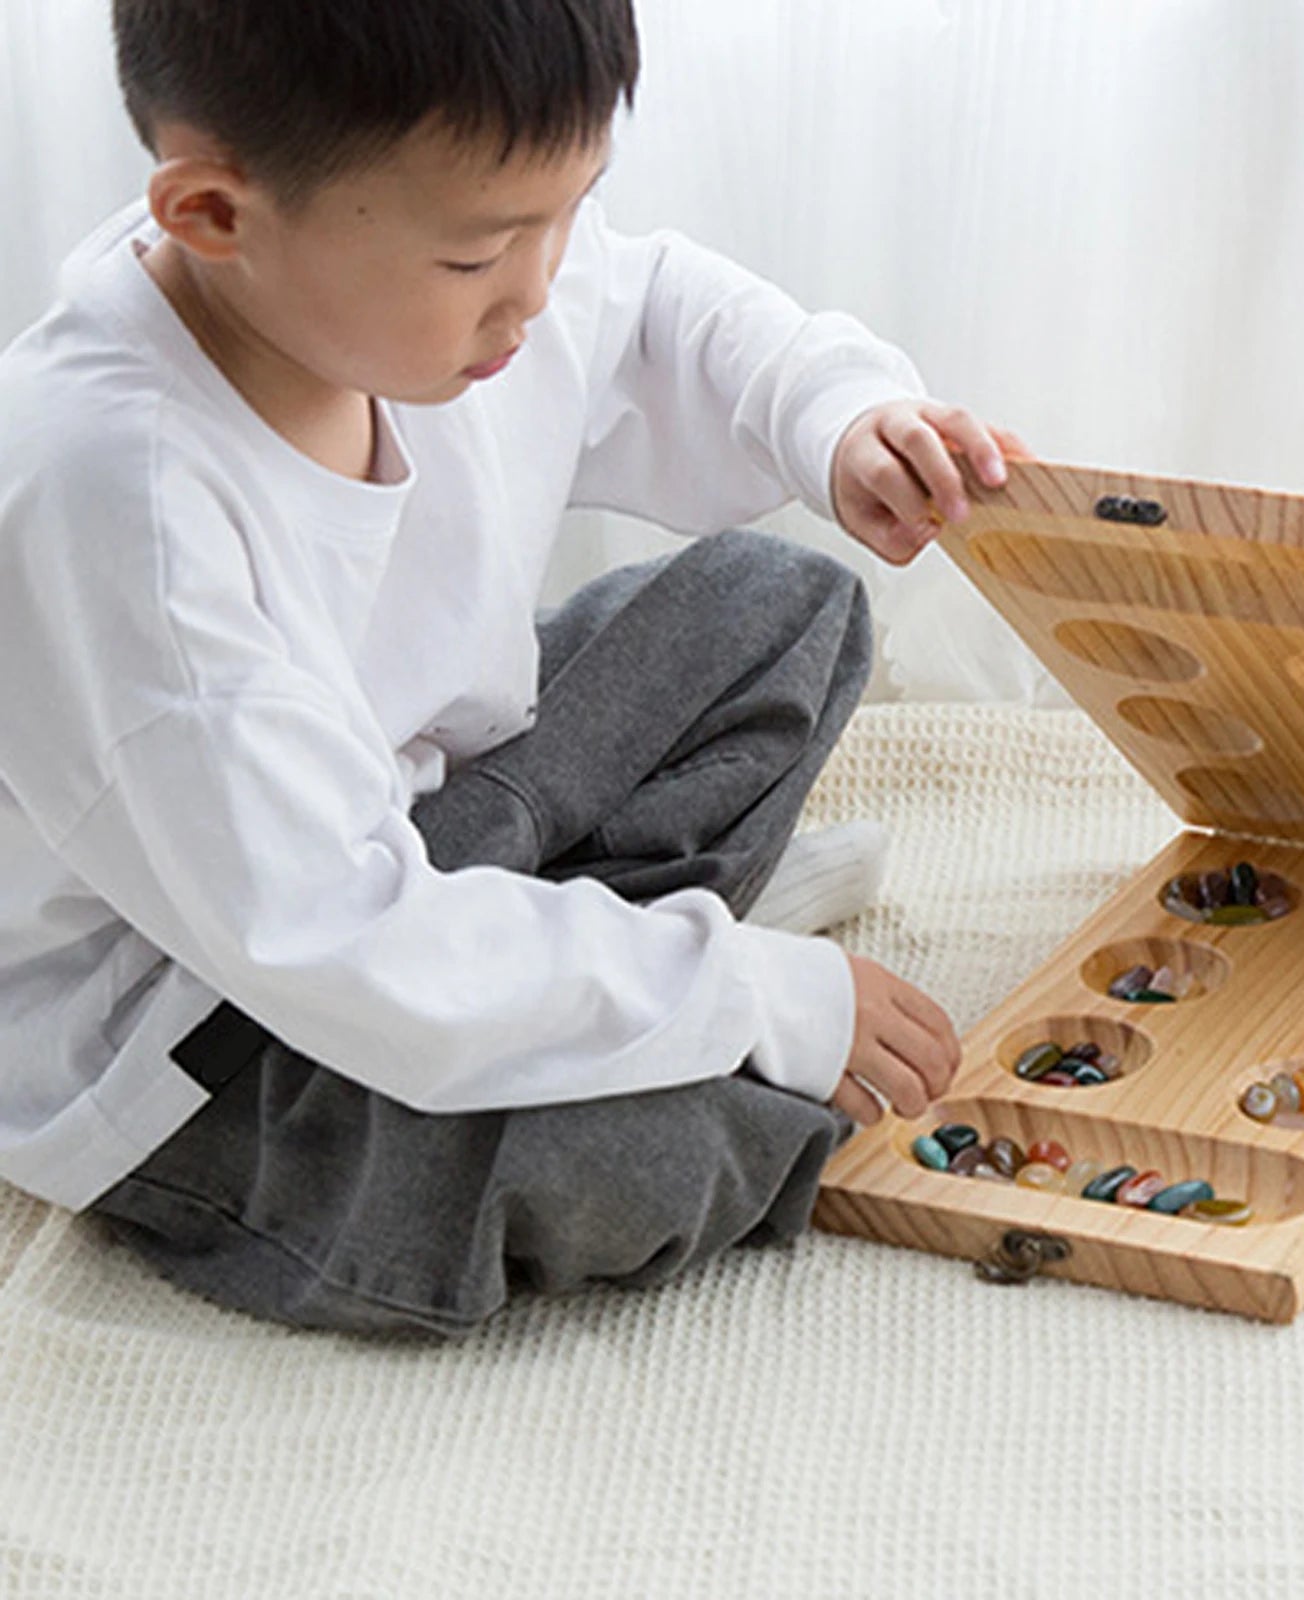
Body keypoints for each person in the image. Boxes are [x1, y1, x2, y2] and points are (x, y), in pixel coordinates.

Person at [0, 0, 1021, 1335]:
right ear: (212, 215)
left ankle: (584, 973)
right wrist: (746, 994)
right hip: (202, 1036)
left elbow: (652, 304)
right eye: (484, 252)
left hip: (414, 841)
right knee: (662, 1160)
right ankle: (619, 978)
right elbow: (342, 944)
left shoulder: (427, 277)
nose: (538, 289)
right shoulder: (117, 504)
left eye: (569, 209)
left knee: (785, 601)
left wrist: (836, 418)